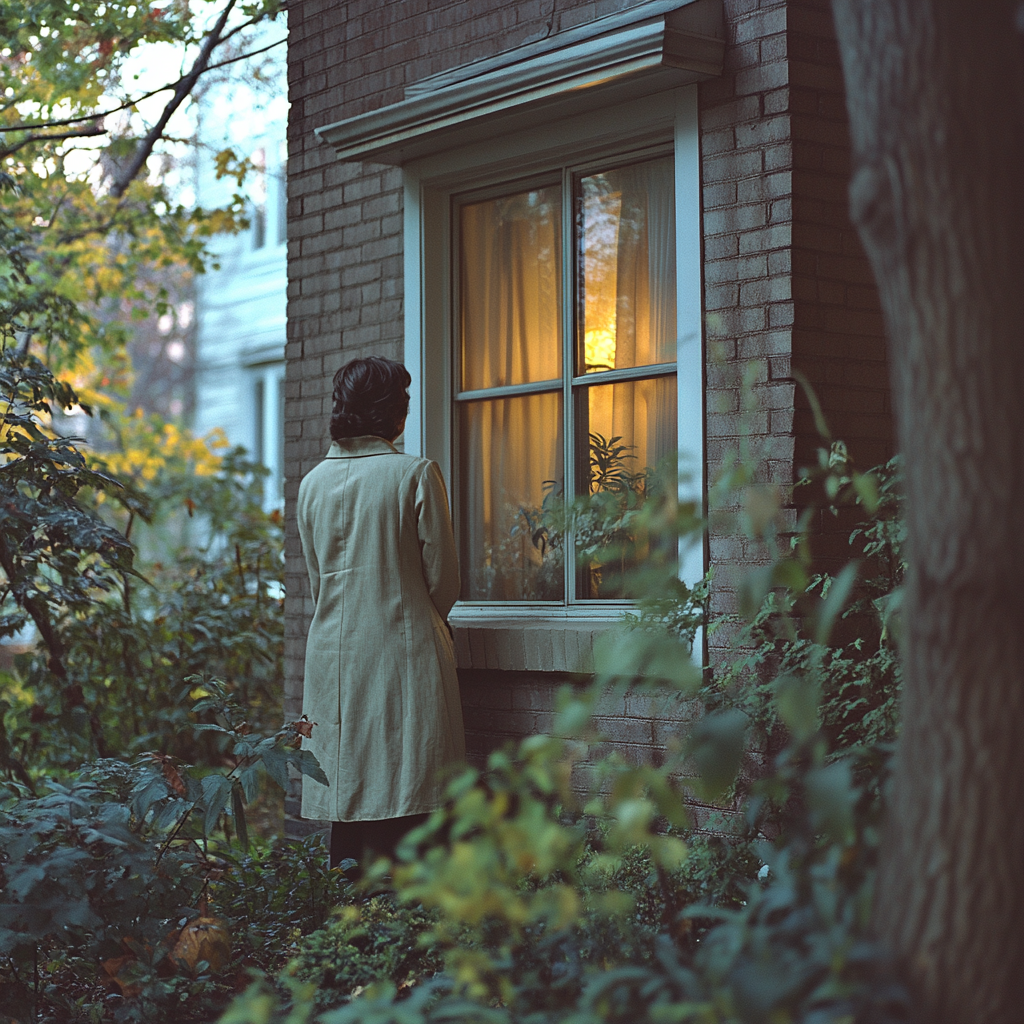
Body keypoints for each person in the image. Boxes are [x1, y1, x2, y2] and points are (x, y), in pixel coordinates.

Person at [296, 356, 464, 870]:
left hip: (332, 657)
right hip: (405, 650)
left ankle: (349, 935)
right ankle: (410, 936)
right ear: (392, 412)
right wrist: (413, 614)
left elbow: (317, 579)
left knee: (349, 797)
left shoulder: (312, 484)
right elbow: (445, 583)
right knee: (410, 785)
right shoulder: (415, 474)